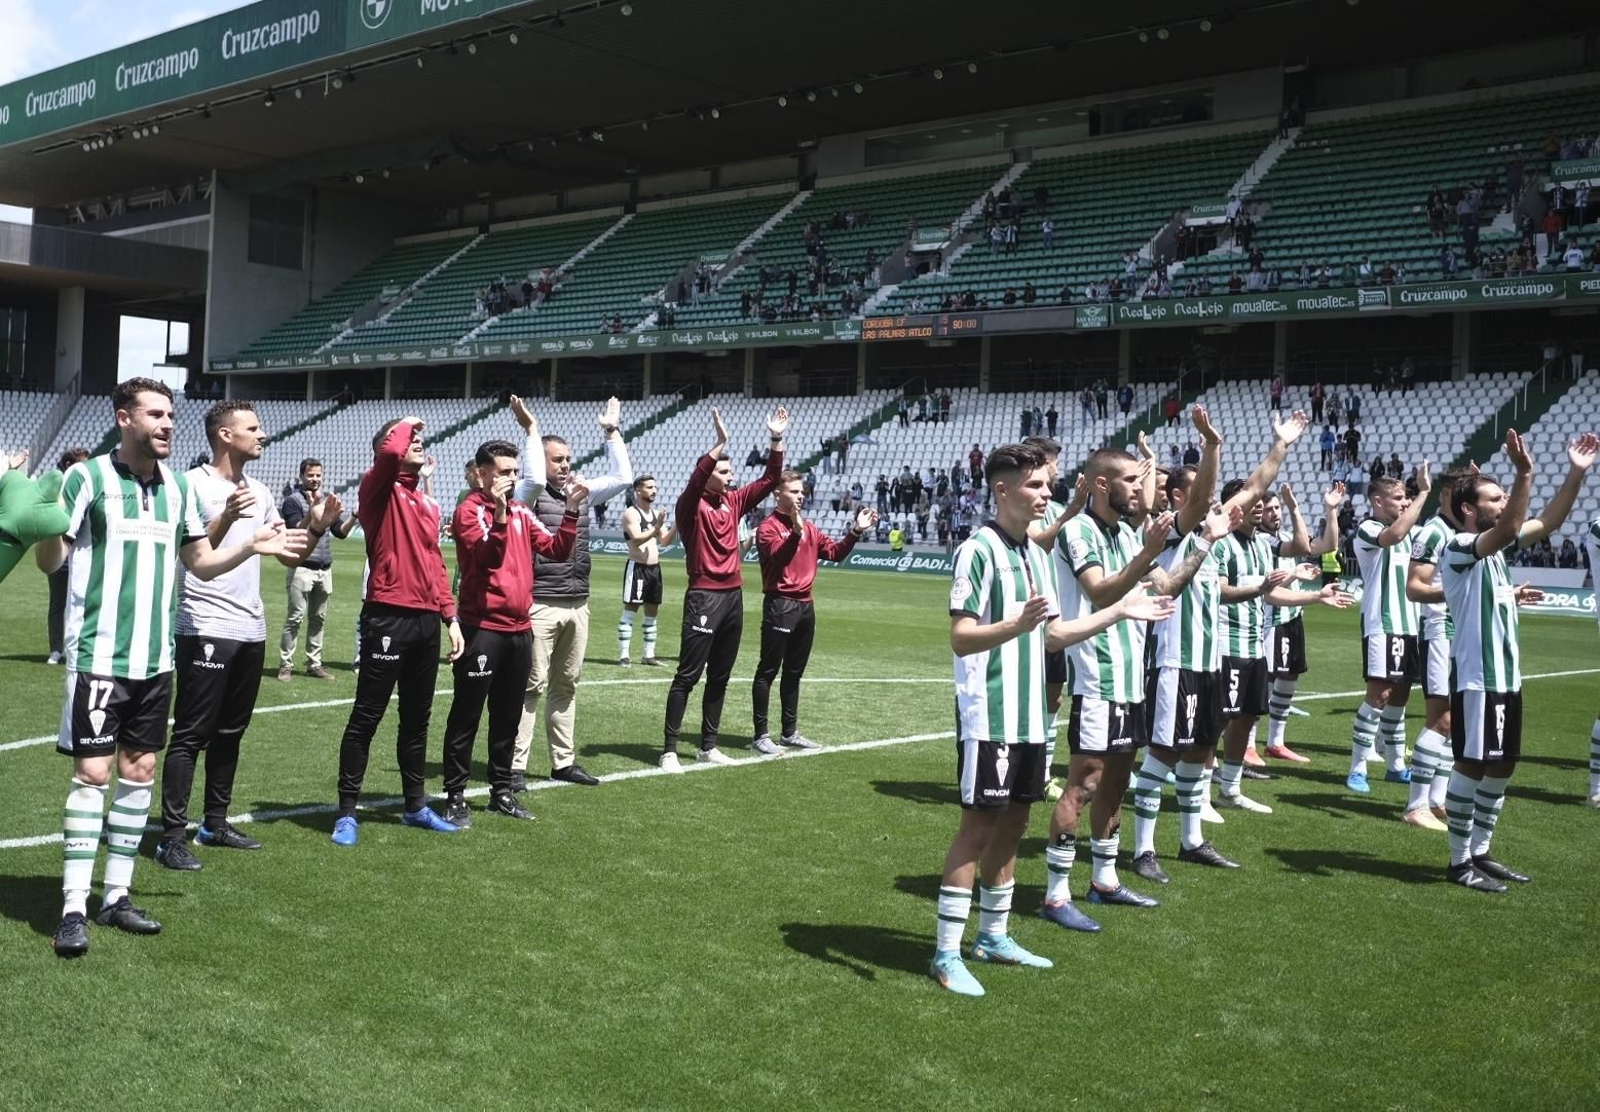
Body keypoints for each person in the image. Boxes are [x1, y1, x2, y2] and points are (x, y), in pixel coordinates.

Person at [37, 379, 305, 957]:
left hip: (157, 662)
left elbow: (201, 563)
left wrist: (250, 545)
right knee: (92, 778)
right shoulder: (88, 479)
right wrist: (41, 525)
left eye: (171, 416)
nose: (166, 424)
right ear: (124, 419)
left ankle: (117, 897)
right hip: (99, 658)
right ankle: (73, 907)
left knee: (139, 774)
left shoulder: (178, 490)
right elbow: (53, 559)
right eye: (155, 414)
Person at [929, 443, 1173, 996]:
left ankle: (993, 936)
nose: (1049, 495)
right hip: (989, 717)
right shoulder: (978, 550)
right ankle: (946, 954)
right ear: (1003, 489)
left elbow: (1054, 635)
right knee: (977, 828)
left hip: (1031, 719)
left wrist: (1119, 609)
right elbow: (961, 636)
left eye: (1049, 485)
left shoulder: (1038, 555)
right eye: (1038, 486)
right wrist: (1016, 627)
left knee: (1015, 824)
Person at [157, 402, 343, 872]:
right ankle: (171, 837)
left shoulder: (259, 491)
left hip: (249, 627)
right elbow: (192, 555)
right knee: (190, 734)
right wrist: (224, 516)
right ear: (224, 434)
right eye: (253, 428)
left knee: (231, 732)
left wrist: (315, 524)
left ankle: (214, 822)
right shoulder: (189, 485)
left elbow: (286, 556)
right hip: (205, 625)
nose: (263, 435)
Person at [1039, 448, 1176, 923]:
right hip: (1097, 680)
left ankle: (1104, 881)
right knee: (1084, 786)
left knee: (1116, 787)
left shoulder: (1125, 532)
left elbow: (1167, 586)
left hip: (1131, 681)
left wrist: (1197, 546)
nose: (1140, 490)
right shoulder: (1078, 531)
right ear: (1102, 485)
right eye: (1132, 482)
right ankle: (1056, 895)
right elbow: (1100, 590)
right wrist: (1147, 553)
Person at [329, 413, 465, 848]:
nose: (418, 443)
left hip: (426, 620)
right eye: (412, 440)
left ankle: (414, 806)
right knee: (367, 716)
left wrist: (450, 617)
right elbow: (389, 451)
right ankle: (347, 813)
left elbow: (435, 564)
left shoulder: (426, 503)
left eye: (420, 439)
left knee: (417, 721)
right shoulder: (376, 490)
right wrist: (405, 423)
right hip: (387, 615)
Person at [442, 429, 588, 827]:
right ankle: (455, 795)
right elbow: (489, 557)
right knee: (467, 713)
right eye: (505, 471)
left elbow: (556, 549)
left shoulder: (523, 512)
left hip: (520, 629)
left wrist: (571, 511)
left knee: (507, 715)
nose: (512, 477)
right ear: (482, 474)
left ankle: (501, 792)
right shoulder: (470, 511)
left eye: (515, 471)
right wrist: (503, 512)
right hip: (482, 628)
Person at [511, 397, 633, 790]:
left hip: (578, 603)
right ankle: (514, 766)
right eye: (557, 459)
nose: (565, 465)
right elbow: (530, 478)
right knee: (531, 686)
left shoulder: (580, 492)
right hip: (541, 604)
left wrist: (611, 432)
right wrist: (531, 432)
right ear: (541, 461)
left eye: (567, 458)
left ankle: (562, 762)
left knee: (566, 685)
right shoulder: (526, 495)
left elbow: (623, 479)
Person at [1439, 432, 1542, 892]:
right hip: (1478, 678)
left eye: (1504, 498)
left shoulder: (1495, 559)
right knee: (1472, 764)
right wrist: (1524, 473)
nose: (1502, 505)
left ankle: (1481, 851)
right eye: (1493, 498)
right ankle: (1459, 862)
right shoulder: (1459, 547)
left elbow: (1525, 528)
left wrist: (1577, 473)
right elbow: (1507, 531)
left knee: (1502, 764)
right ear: (1467, 509)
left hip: (1506, 677)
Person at [660, 406, 787, 771]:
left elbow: (770, 479)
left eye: (731, 471)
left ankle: (708, 746)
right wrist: (720, 443)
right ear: (708, 475)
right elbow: (696, 477)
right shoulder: (689, 506)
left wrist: (775, 438)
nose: (731, 478)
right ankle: (669, 750)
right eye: (724, 471)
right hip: (704, 595)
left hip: (733, 597)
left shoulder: (733, 501)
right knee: (688, 674)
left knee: (720, 674)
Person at [750, 476, 873, 754]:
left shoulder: (811, 528)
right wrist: (795, 531)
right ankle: (761, 735)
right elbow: (779, 558)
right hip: (780, 604)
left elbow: (835, 553)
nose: (800, 496)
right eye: (794, 491)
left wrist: (855, 530)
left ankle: (789, 733)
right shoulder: (767, 528)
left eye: (802, 491)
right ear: (777, 495)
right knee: (767, 671)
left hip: (806, 607)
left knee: (794, 672)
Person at [1346, 468, 1431, 794]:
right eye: (1399, 498)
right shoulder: (1368, 529)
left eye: (1407, 497)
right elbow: (1393, 536)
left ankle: (1395, 766)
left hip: (1410, 625)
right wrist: (1423, 493)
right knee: (1378, 696)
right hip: (1383, 624)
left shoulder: (1412, 532)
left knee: (1399, 699)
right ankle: (1357, 768)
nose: (1405, 502)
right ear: (1377, 501)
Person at [1262, 482, 1347, 763]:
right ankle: (1247, 744)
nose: (1275, 513)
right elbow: (1263, 588)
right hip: (1269, 621)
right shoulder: (1260, 542)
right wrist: (1294, 574)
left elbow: (1328, 545)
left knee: (1289, 677)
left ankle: (1275, 742)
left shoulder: (1287, 537)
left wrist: (1330, 510)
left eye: (1277, 508)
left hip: (1292, 616)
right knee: (1264, 682)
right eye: (1269, 509)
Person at [278, 458, 357, 681]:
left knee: (318, 619)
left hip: (324, 569)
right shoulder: (292, 501)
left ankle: (314, 664)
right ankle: (286, 665)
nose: (315, 479)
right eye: (310, 475)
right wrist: (311, 513)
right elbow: (295, 532)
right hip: (301, 567)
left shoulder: (326, 502)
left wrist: (354, 516)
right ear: (302, 477)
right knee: (295, 619)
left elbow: (340, 532)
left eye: (318, 475)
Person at [619, 474, 677, 667]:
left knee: (652, 613)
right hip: (637, 569)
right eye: (650, 487)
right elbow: (636, 539)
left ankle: (648, 655)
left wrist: (676, 524)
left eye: (655, 487)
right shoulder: (631, 513)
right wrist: (657, 527)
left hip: (654, 570)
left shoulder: (654, 514)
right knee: (630, 612)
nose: (654, 491)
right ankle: (624, 656)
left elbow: (666, 540)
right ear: (638, 490)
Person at [44, 448, 90, 663]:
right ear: (69, 463)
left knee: (83, 602)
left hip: (82, 554)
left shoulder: (87, 485)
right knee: (58, 603)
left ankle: (79, 648)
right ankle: (56, 648)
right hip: (60, 554)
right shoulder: (55, 487)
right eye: (82, 463)